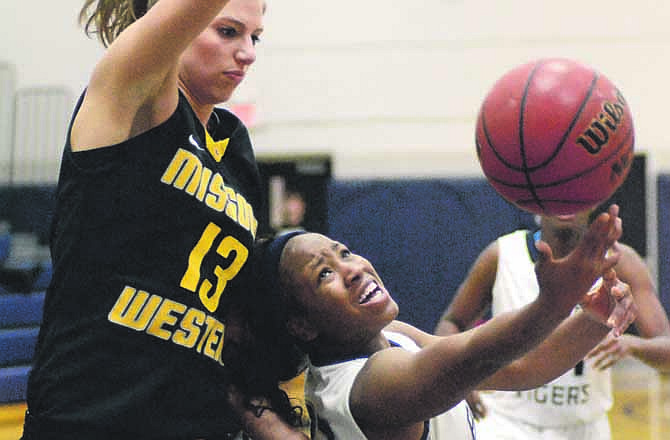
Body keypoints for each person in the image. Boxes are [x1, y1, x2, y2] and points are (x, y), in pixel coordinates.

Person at [22, 1, 306, 439]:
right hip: (91, 420)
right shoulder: (134, 94)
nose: (248, 52)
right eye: (228, 31)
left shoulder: (235, 152)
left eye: (255, 36)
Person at [247, 204, 637, 440]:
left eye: (344, 253)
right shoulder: (371, 386)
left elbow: (521, 368)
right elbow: (478, 355)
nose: (353, 270)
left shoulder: (388, 336)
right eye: (323, 275)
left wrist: (593, 316)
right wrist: (552, 303)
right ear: (301, 326)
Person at [434, 208, 670, 439]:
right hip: (505, 423)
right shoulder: (502, 254)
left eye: (574, 192)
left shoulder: (619, 261)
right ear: (537, 197)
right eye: (558, 193)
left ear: (593, 198)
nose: (564, 204)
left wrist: (632, 346)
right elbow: (452, 322)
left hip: (585, 427)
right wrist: (461, 379)